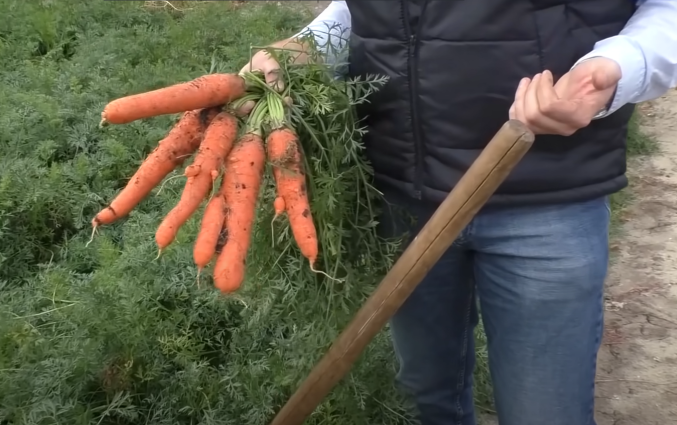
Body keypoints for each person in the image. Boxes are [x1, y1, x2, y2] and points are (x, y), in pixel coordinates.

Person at [240, 1, 677, 425]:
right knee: (424, 396)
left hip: (546, 196)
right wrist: (308, 47)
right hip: (402, 199)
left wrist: (616, 65)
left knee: (543, 412)